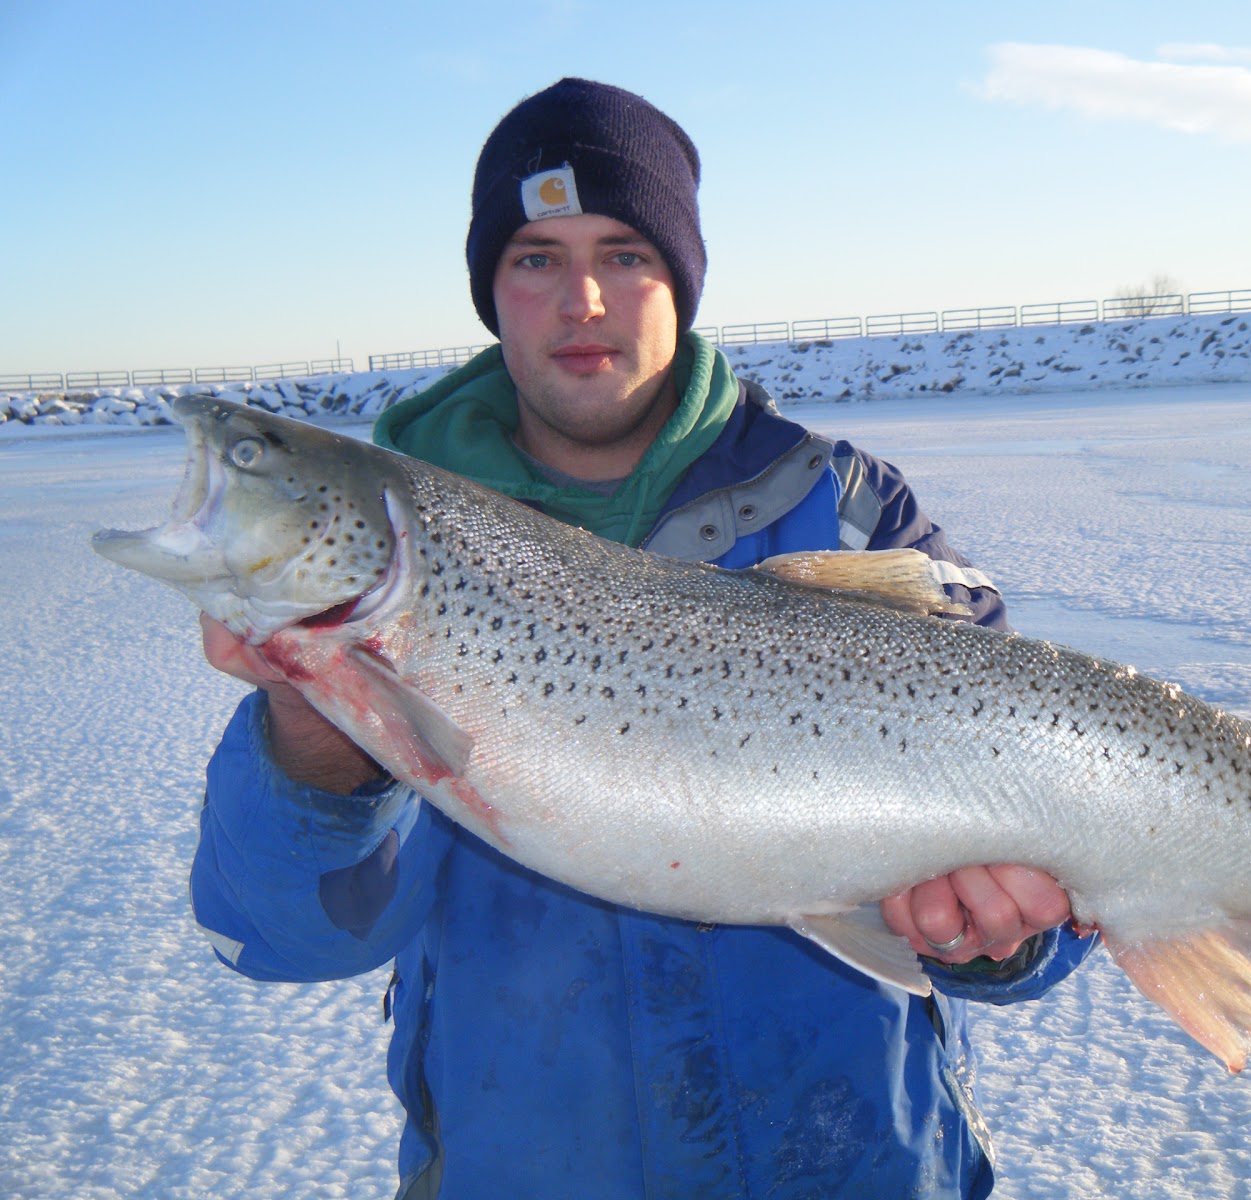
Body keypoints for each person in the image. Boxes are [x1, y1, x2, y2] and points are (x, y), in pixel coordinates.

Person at [190, 77, 1098, 1199]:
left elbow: (1059, 879)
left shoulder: (854, 510)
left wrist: (1002, 937)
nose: (583, 300)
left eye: (625, 253)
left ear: (681, 278)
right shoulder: (402, 556)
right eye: (535, 257)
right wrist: (311, 717)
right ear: (492, 290)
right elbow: (285, 938)